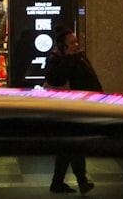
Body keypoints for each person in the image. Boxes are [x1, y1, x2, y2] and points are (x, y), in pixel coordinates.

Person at [45, 25, 101, 194]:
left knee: (71, 146)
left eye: (76, 41)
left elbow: (91, 79)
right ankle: (79, 181)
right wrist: (68, 60)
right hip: (67, 108)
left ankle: (62, 182)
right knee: (72, 145)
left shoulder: (80, 57)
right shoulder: (57, 60)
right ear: (63, 45)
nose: (76, 45)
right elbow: (56, 78)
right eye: (72, 42)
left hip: (80, 105)